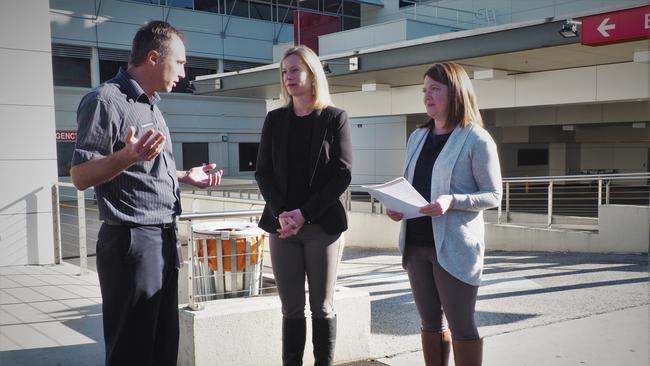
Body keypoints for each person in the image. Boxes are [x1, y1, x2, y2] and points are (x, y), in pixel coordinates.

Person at [70, 21, 223, 366]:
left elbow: (147, 169)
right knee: (133, 350)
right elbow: (80, 176)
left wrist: (186, 176)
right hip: (132, 243)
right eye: (181, 63)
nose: (184, 73)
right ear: (153, 58)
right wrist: (127, 155)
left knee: (163, 345)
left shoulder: (150, 104)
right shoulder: (104, 101)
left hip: (163, 237)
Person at [386, 62, 502, 366]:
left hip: (454, 248)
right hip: (415, 244)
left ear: (455, 92)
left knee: (462, 326)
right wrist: (396, 205)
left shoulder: (476, 138)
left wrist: (453, 201)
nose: (427, 96)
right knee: (429, 324)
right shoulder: (417, 137)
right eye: (424, 90)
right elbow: (410, 184)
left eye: (434, 89)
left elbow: (493, 195)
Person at [255, 45, 352, 366]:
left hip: (322, 228)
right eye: (285, 71)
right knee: (291, 308)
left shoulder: (335, 118)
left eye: (295, 70)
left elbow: (342, 173)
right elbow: (263, 172)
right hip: (282, 228)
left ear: (312, 74)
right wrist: (284, 214)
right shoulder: (274, 119)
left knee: (321, 307)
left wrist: (304, 213)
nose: (289, 77)